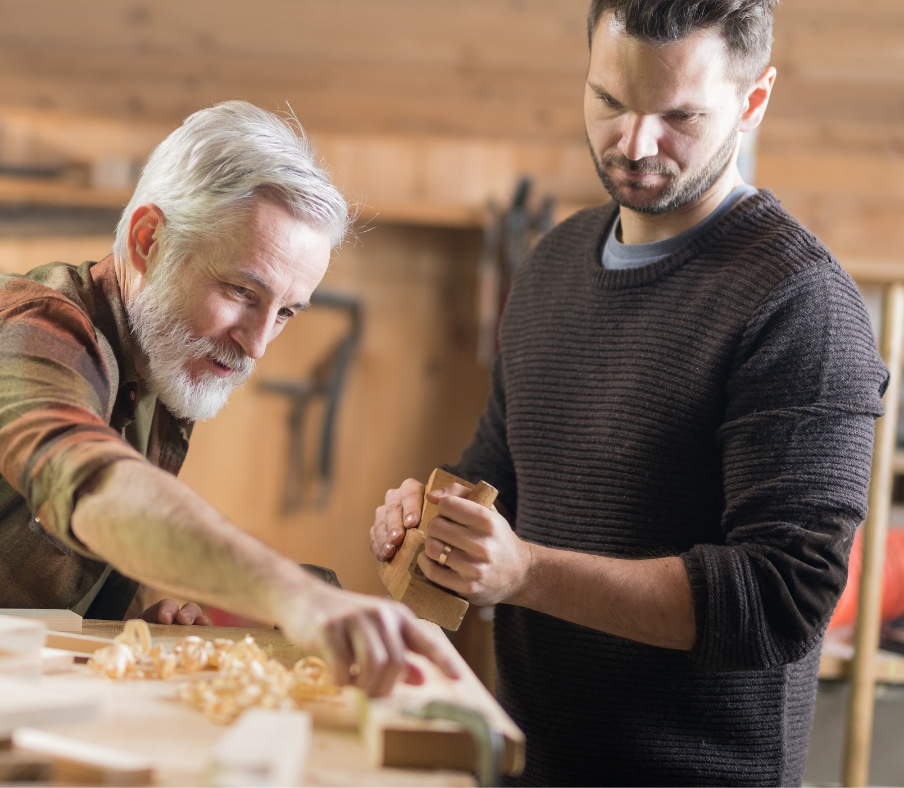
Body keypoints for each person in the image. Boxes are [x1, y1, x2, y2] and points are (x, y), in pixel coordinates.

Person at [371, 0, 887, 783]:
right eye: (610, 100)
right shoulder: (551, 264)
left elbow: (784, 597)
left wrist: (525, 572)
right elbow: (497, 478)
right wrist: (432, 525)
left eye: (679, 116)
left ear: (753, 101)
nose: (635, 143)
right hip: (529, 766)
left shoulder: (802, 305)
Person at [0, 100, 456, 694]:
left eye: (285, 312)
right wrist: (301, 600)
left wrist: (129, 612)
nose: (257, 344)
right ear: (149, 241)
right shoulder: (28, 332)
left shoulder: (157, 371)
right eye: (241, 292)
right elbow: (95, 487)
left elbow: (69, 553)